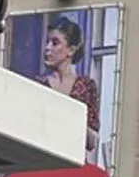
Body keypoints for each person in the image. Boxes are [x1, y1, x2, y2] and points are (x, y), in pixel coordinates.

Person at [40, 17, 101, 163]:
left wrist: (71, 117)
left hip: (74, 167)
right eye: (47, 42)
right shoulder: (39, 85)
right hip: (44, 163)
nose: (48, 48)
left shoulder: (86, 85)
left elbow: (92, 142)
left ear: (71, 50)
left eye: (55, 43)